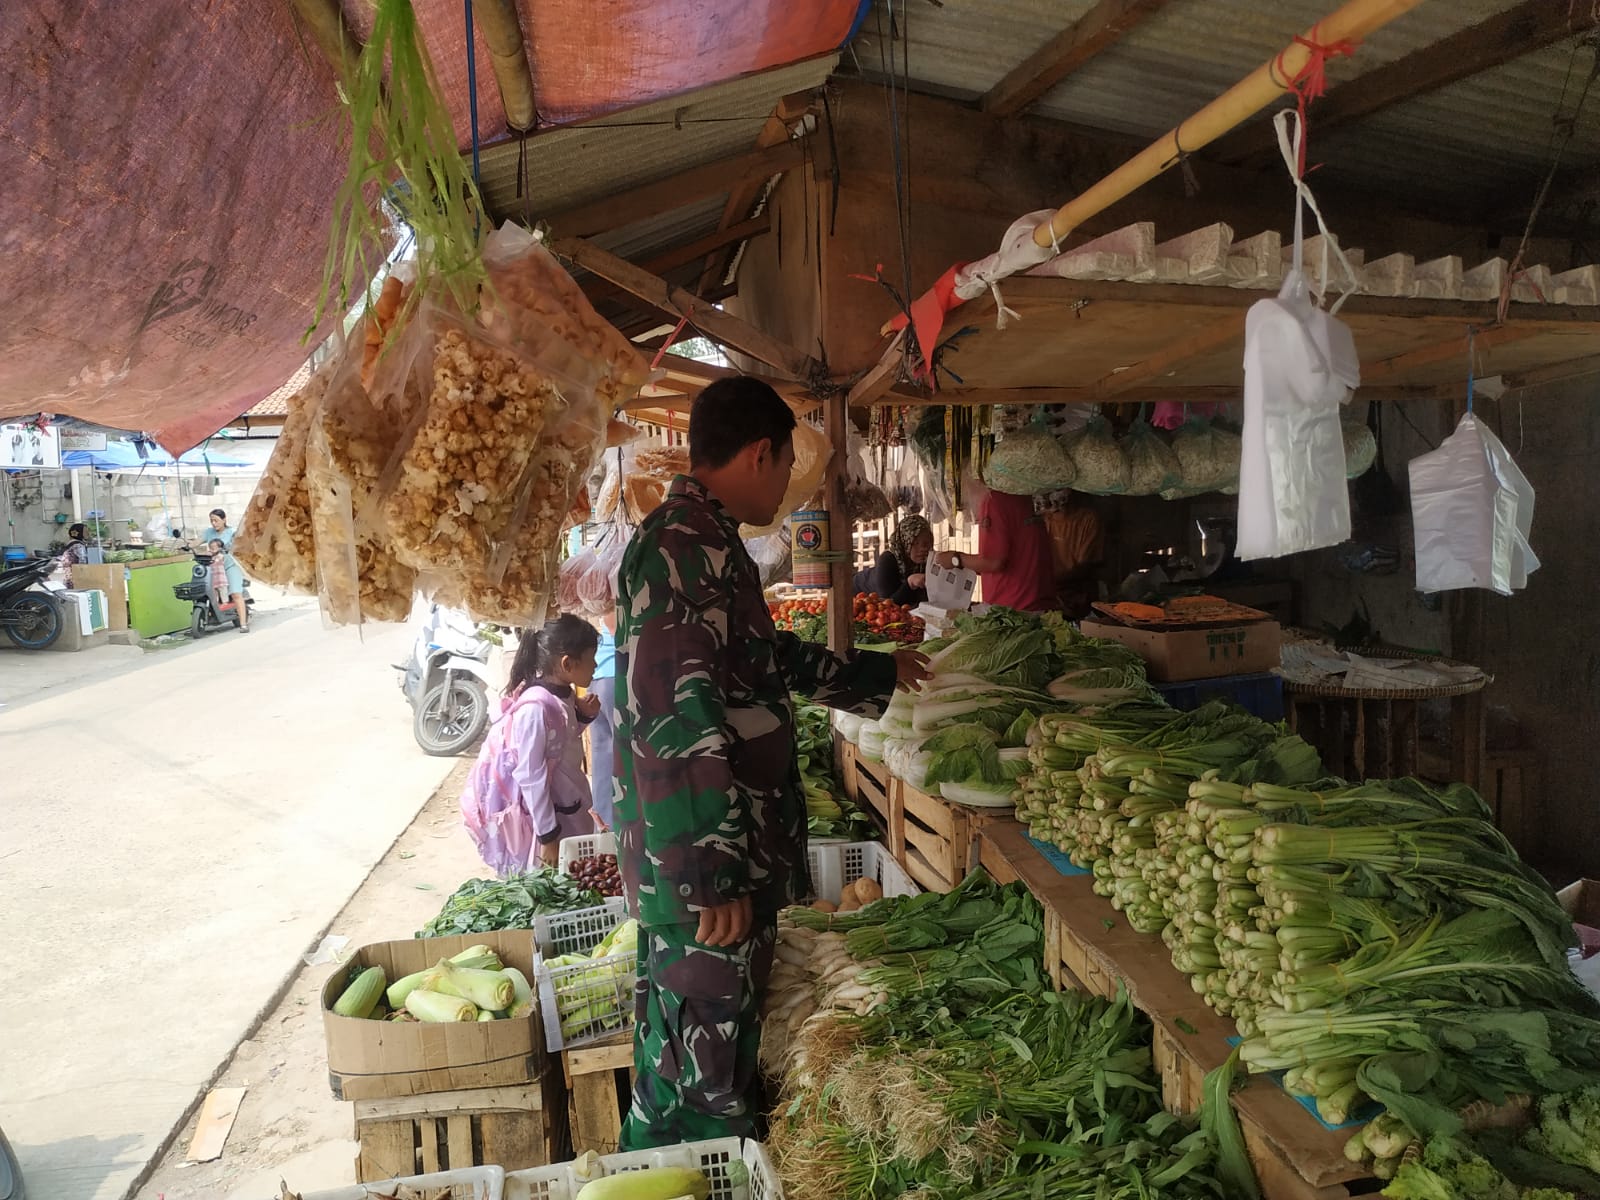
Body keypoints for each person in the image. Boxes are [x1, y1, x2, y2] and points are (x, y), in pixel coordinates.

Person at [614, 376, 930, 1149]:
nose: (788, 484)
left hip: (715, 856)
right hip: (700, 870)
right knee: (701, 1084)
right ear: (761, 453)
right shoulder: (684, 551)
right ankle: (686, 1177)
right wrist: (708, 875)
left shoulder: (707, 542)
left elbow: (760, 661)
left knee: (706, 1059)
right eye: (788, 464)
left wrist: (876, 674)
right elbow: (676, 722)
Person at [460, 615, 603, 876]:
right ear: (567, 663)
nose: (595, 665)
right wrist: (548, 836)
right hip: (550, 818)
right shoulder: (535, 709)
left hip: (567, 804)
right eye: (591, 658)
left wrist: (582, 717)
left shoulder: (562, 695)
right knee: (551, 878)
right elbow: (531, 776)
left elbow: (559, 744)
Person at [930, 471, 1057, 612]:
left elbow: (993, 561)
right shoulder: (1020, 496)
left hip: (1013, 609)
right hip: (1037, 601)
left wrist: (955, 559)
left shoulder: (992, 501)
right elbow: (1011, 557)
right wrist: (965, 563)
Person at [1039, 490, 1106, 619]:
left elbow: (1084, 567)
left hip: (1076, 593)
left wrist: (1049, 583)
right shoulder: (1043, 519)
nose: (1056, 507)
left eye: (1061, 499)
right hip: (1047, 594)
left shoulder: (1087, 519)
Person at [852, 514, 933, 606]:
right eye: (915, 543)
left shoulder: (928, 562)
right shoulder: (888, 560)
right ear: (904, 542)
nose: (923, 548)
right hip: (856, 597)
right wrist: (910, 583)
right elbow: (888, 604)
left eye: (926, 543)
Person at [587, 613, 619, 831]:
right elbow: (615, 625)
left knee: (604, 760)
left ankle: (606, 832)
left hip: (600, 675)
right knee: (626, 759)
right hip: (617, 675)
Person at [205, 509, 250, 632]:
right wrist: (187, 545)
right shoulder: (209, 532)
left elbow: (240, 544)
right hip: (215, 567)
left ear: (224, 519)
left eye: (216, 520)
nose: (214, 523)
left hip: (230, 566)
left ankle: (243, 624)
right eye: (211, 521)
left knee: (235, 594)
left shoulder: (232, 532)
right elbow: (197, 542)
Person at [57, 522, 89, 587]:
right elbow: (83, 561)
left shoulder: (71, 544)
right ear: (79, 533)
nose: (88, 533)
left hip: (67, 574)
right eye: (85, 531)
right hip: (74, 575)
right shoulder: (78, 545)